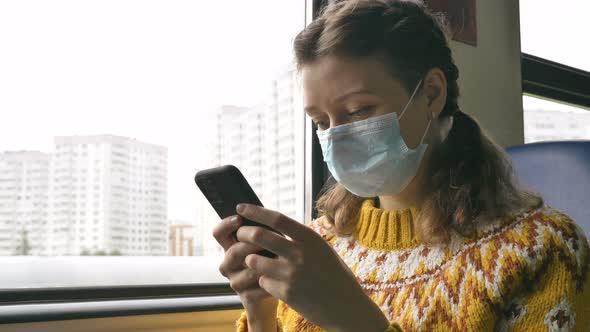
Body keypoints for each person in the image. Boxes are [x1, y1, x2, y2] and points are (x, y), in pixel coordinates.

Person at [213, 0, 590, 331]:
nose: (337, 137)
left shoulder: (542, 250)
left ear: (431, 93)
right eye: (321, 122)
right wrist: (261, 311)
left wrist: (357, 322)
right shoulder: (318, 246)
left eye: (359, 111)